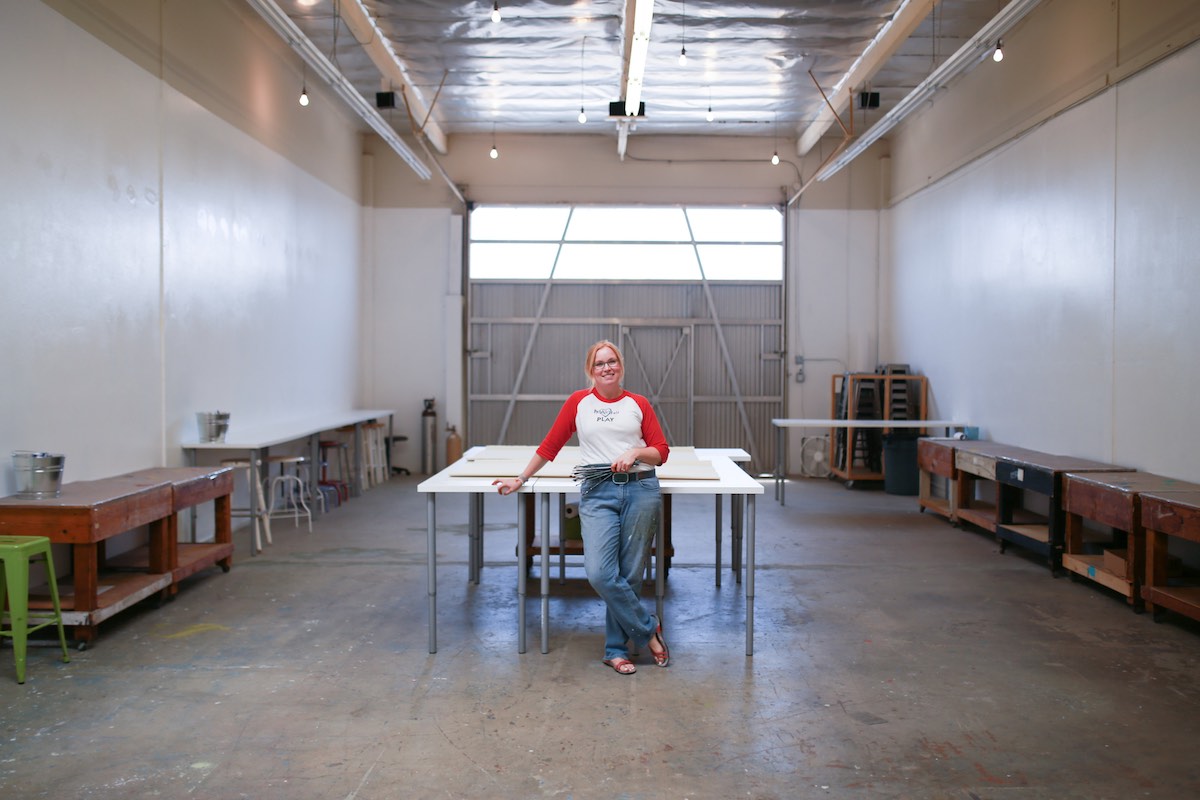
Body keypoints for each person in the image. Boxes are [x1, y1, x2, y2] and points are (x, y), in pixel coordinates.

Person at [493, 340, 670, 675]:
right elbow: (551, 445)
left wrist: (635, 453)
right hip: (598, 491)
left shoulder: (638, 403)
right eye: (599, 363)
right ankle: (649, 629)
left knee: (630, 576)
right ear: (591, 370)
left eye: (612, 361)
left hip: (640, 489)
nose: (607, 368)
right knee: (601, 573)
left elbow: (661, 450)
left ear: (621, 365)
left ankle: (616, 651)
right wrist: (520, 478)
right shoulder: (579, 403)